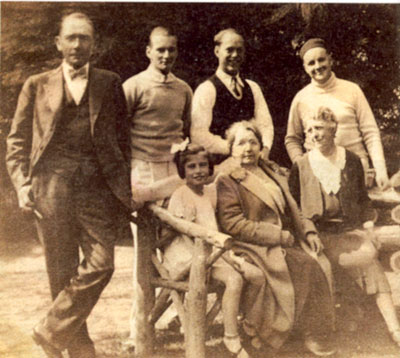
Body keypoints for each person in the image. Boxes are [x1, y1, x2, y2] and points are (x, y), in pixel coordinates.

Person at [6, 12, 132, 358]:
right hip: (51, 188)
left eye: (84, 38)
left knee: (102, 263)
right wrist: (21, 185)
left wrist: (123, 188)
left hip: (95, 188)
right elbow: (16, 141)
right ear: (58, 43)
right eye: (71, 37)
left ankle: (49, 331)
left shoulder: (110, 82)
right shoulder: (37, 84)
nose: (78, 44)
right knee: (61, 272)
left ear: (94, 44)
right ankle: (78, 347)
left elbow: (123, 140)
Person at [216, 121, 335, 357]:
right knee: (305, 266)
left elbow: (295, 208)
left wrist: (309, 231)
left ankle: (311, 331)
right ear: (231, 148)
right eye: (241, 143)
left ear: (261, 146)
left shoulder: (272, 171)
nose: (248, 148)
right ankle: (286, 334)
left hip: (287, 238)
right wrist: (278, 236)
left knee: (322, 261)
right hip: (254, 244)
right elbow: (233, 224)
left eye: (253, 142)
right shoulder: (227, 179)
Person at [289, 106, 400, 348]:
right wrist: (308, 232)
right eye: (309, 130)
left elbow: (362, 200)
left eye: (318, 128)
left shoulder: (350, 160)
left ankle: (394, 330)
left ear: (333, 128)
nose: (314, 134)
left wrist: (368, 227)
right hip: (318, 234)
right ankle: (325, 328)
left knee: (369, 258)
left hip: (349, 231)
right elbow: (295, 208)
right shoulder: (302, 165)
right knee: (353, 261)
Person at [122, 26, 192, 345]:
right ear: (148, 51)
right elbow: (117, 136)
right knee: (144, 253)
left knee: (180, 246)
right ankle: (140, 334)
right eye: (160, 49)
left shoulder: (184, 89)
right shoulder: (133, 86)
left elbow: (185, 130)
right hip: (142, 172)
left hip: (174, 174)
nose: (166, 56)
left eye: (171, 50)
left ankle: (179, 317)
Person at [161, 142, 261, 358]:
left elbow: (213, 218)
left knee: (257, 275)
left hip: (213, 252)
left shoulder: (210, 191)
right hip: (189, 257)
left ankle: (247, 323)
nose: (198, 171)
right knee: (234, 279)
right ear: (183, 170)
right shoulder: (181, 195)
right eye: (192, 167)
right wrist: (224, 258)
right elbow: (183, 233)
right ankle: (231, 338)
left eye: (203, 166)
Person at [285, 38, 389, 189]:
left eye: (321, 60)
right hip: (318, 172)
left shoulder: (352, 90)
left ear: (330, 59)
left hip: (355, 170)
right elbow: (292, 139)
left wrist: (380, 169)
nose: (318, 66)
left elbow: (371, 133)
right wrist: (303, 165)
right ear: (305, 67)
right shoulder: (301, 98)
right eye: (311, 63)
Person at [191, 28, 274, 164]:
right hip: (220, 163)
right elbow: (198, 134)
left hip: (252, 161)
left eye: (239, 50)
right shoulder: (207, 89)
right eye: (229, 50)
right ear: (217, 51)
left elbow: (265, 125)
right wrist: (233, 148)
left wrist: (264, 148)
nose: (235, 55)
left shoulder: (252, 88)